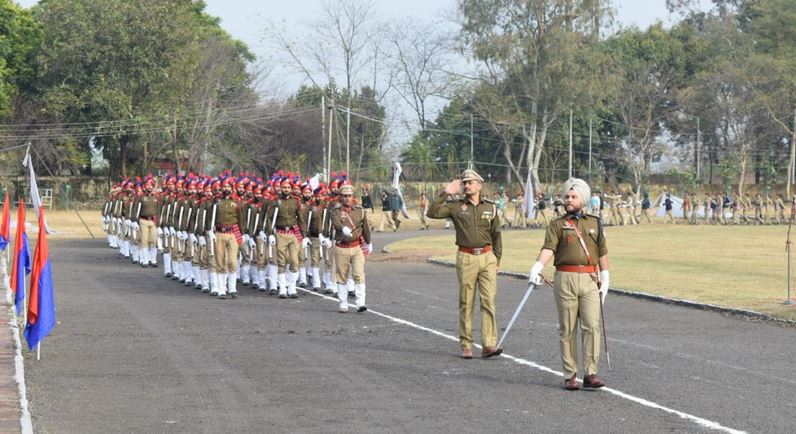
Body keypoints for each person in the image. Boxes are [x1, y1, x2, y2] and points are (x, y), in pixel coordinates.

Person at [528, 177, 609, 390]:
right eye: (567, 196)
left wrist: (606, 275)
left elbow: (602, 252)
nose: (569, 200)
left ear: (583, 198)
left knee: (592, 325)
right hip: (565, 277)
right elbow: (549, 249)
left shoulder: (595, 222)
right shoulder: (557, 225)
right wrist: (537, 266)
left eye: (573, 196)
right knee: (567, 328)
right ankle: (570, 374)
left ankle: (591, 372)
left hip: (591, 279)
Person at [426, 169, 503, 360]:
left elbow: (496, 235)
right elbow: (432, 213)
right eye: (464, 182)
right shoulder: (455, 206)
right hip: (466, 257)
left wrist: (497, 260)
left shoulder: (490, 207)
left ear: (479, 185)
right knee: (466, 301)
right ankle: (466, 344)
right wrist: (446, 193)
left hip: (487, 257)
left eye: (470, 182)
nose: (467, 185)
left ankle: (489, 344)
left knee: (488, 302)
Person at [330, 183, 372, 312]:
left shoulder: (359, 210)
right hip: (342, 247)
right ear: (340, 197)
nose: (347, 198)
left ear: (352, 196)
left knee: (359, 274)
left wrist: (369, 242)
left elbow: (365, 227)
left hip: (356, 247)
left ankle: (360, 302)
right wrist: (343, 228)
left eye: (349, 196)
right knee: (342, 274)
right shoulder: (335, 211)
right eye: (344, 196)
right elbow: (336, 223)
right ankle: (343, 302)